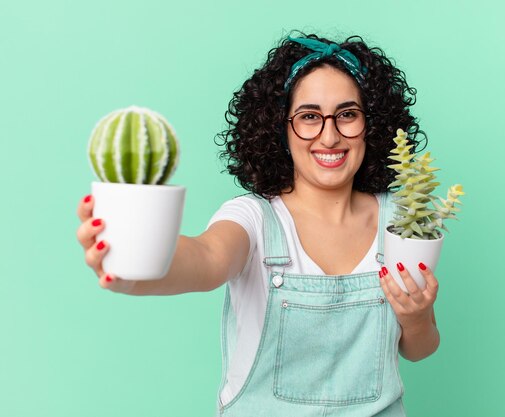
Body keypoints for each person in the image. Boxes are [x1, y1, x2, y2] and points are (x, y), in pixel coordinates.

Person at [76, 32, 441, 416]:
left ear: (373, 123)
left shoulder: (402, 219)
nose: (329, 136)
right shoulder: (252, 218)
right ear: (279, 129)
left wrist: (416, 316)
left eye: (348, 114)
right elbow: (207, 257)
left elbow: (420, 348)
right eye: (309, 117)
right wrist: (133, 267)